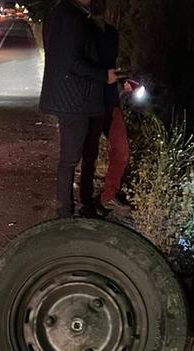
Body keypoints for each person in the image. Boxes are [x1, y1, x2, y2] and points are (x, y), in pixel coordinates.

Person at [39, 0, 118, 218]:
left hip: (81, 100)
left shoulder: (64, 13)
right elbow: (72, 62)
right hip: (74, 101)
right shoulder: (71, 16)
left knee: (80, 157)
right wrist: (104, 75)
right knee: (69, 160)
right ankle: (65, 213)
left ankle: (77, 207)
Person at [82, 2, 130, 214]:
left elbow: (110, 63)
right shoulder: (82, 29)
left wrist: (123, 79)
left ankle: (107, 196)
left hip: (110, 100)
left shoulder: (111, 32)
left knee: (121, 150)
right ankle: (86, 203)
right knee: (89, 154)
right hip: (91, 101)